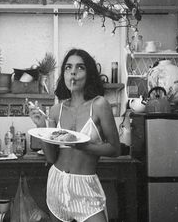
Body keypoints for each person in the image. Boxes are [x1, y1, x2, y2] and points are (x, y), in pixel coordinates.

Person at [29, 48, 120, 222]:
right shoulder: (56, 110)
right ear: (64, 74)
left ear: (89, 74)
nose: (73, 72)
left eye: (80, 67)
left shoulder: (100, 105)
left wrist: (84, 146)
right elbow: (51, 157)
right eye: (68, 67)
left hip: (85, 187)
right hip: (57, 183)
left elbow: (115, 149)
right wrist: (41, 126)